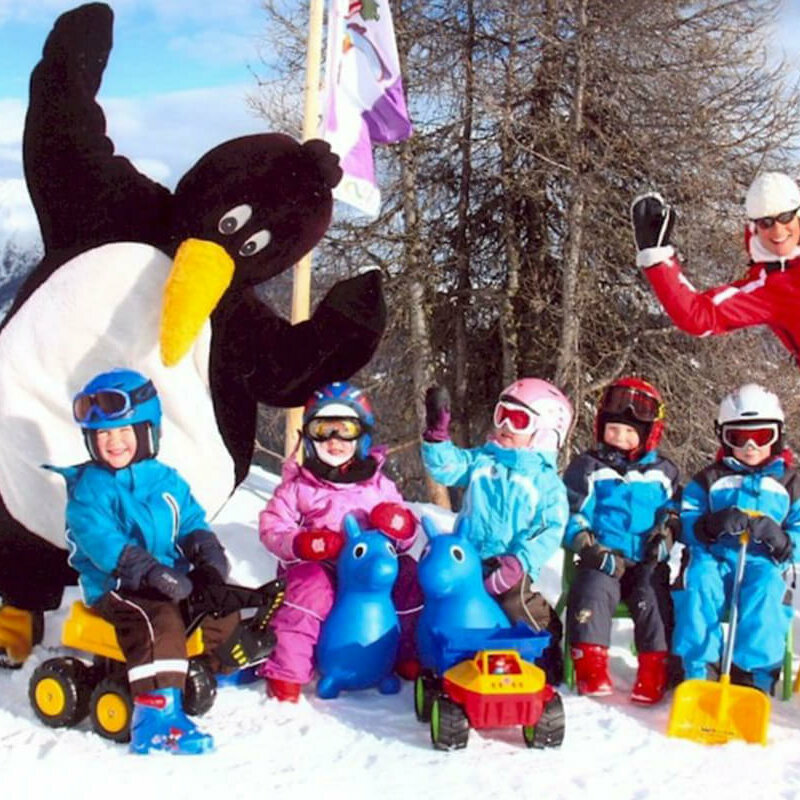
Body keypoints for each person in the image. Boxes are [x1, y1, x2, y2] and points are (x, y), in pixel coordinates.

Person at [49, 368, 239, 755]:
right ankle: (156, 717)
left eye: (123, 431)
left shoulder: (166, 480)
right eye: (103, 434)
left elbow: (190, 521)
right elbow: (103, 541)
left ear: (148, 431)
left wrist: (207, 557)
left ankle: (217, 664)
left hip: (166, 575)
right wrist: (149, 571)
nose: (113, 442)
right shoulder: (89, 490)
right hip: (116, 585)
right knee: (159, 621)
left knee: (220, 601)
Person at [258, 381, 422, 702]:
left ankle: (406, 652)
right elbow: (272, 527)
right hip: (323, 567)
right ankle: (288, 669)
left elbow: (405, 535)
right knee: (309, 587)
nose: (334, 441)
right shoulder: (299, 486)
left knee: (408, 575)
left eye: (345, 430)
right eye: (323, 430)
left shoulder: (378, 485)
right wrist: (300, 543)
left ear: (363, 435)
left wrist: (399, 527)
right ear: (308, 436)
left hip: (370, 570)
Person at [420, 378, 572, 684]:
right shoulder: (482, 460)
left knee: (515, 604)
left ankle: (544, 652)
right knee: (444, 592)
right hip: (470, 559)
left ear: (544, 432)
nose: (504, 425)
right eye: (501, 414)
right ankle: (443, 652)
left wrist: (519, 562)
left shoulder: (545, 483)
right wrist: (437, 438)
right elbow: (447, 468)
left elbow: (549, 529)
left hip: (510, 564)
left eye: (517, 420)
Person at [673, 383, 800, 694]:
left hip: (763, 563)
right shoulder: (709, 479)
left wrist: (781, 540)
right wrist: (711, 525)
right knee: (698, 582)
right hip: (715, 559)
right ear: (724, 437)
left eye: (762, 436)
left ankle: (753, 674)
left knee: (769, 588)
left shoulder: (790, 482)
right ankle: (701, 668)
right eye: (739, 437)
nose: (750, 446)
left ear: (777, 436)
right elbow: (687, 521)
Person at [562, 377, 680, 703]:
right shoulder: (588, 467)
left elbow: (673, 511)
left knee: (653, 598)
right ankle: (591, 663)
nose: (620, 437)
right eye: (613, 429)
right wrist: (587, 545)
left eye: (630, 432)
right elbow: (571, 511)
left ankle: (654, 669)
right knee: (593, 591)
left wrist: (665, 535)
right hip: (604, 557)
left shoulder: (663, 472)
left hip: (646, 560)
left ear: (648, 435)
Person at [630, 172, 800, 368]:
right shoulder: (772, 289)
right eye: (766, 222)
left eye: (785, 217)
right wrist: (657, 258)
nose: (778, 231)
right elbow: (700, 315)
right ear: (755, 228)